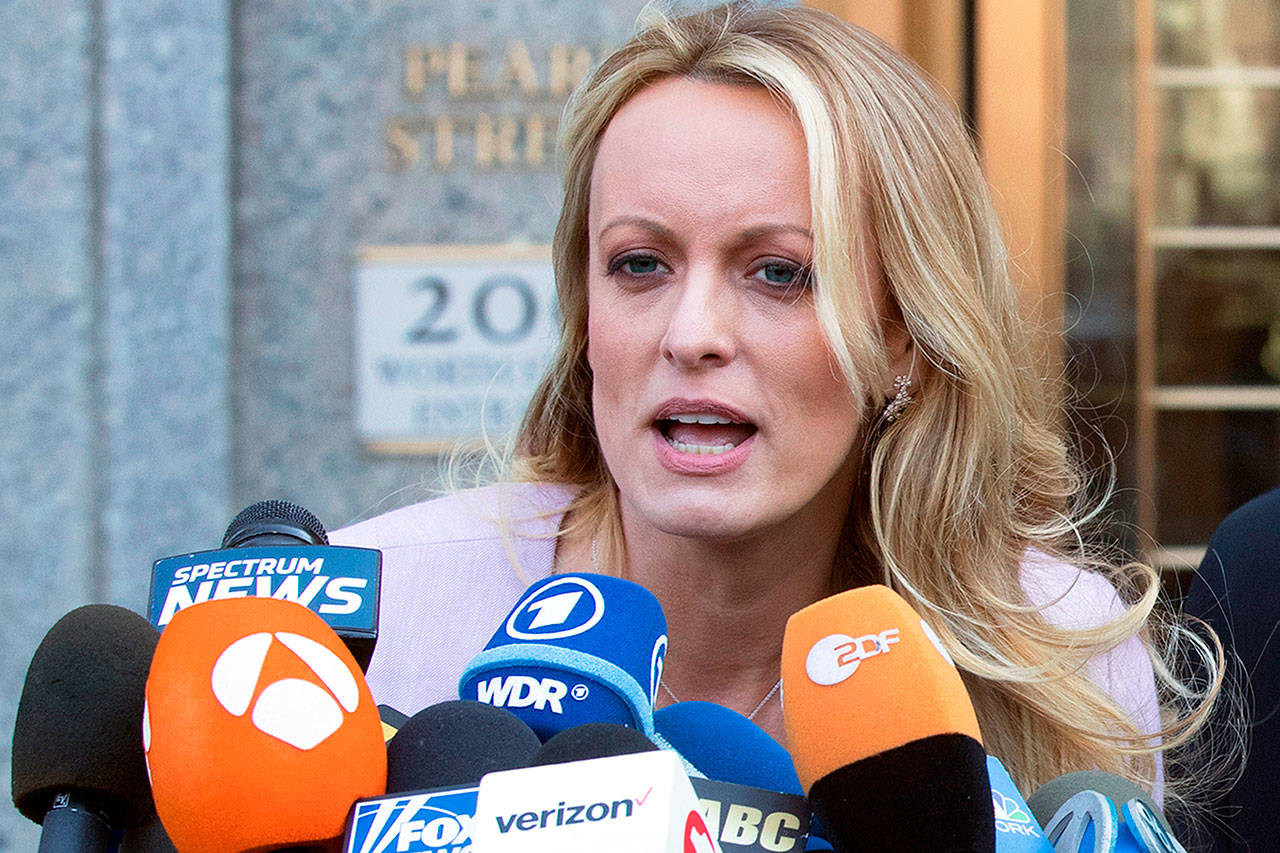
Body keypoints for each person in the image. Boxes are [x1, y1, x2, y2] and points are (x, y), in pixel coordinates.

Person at [332, 0, 1221, 813]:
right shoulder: (368, 624)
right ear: (584, 315)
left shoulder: (1059, 654)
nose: (693, 334)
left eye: (779, 273)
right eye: (641, 263)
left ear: (903, 334)